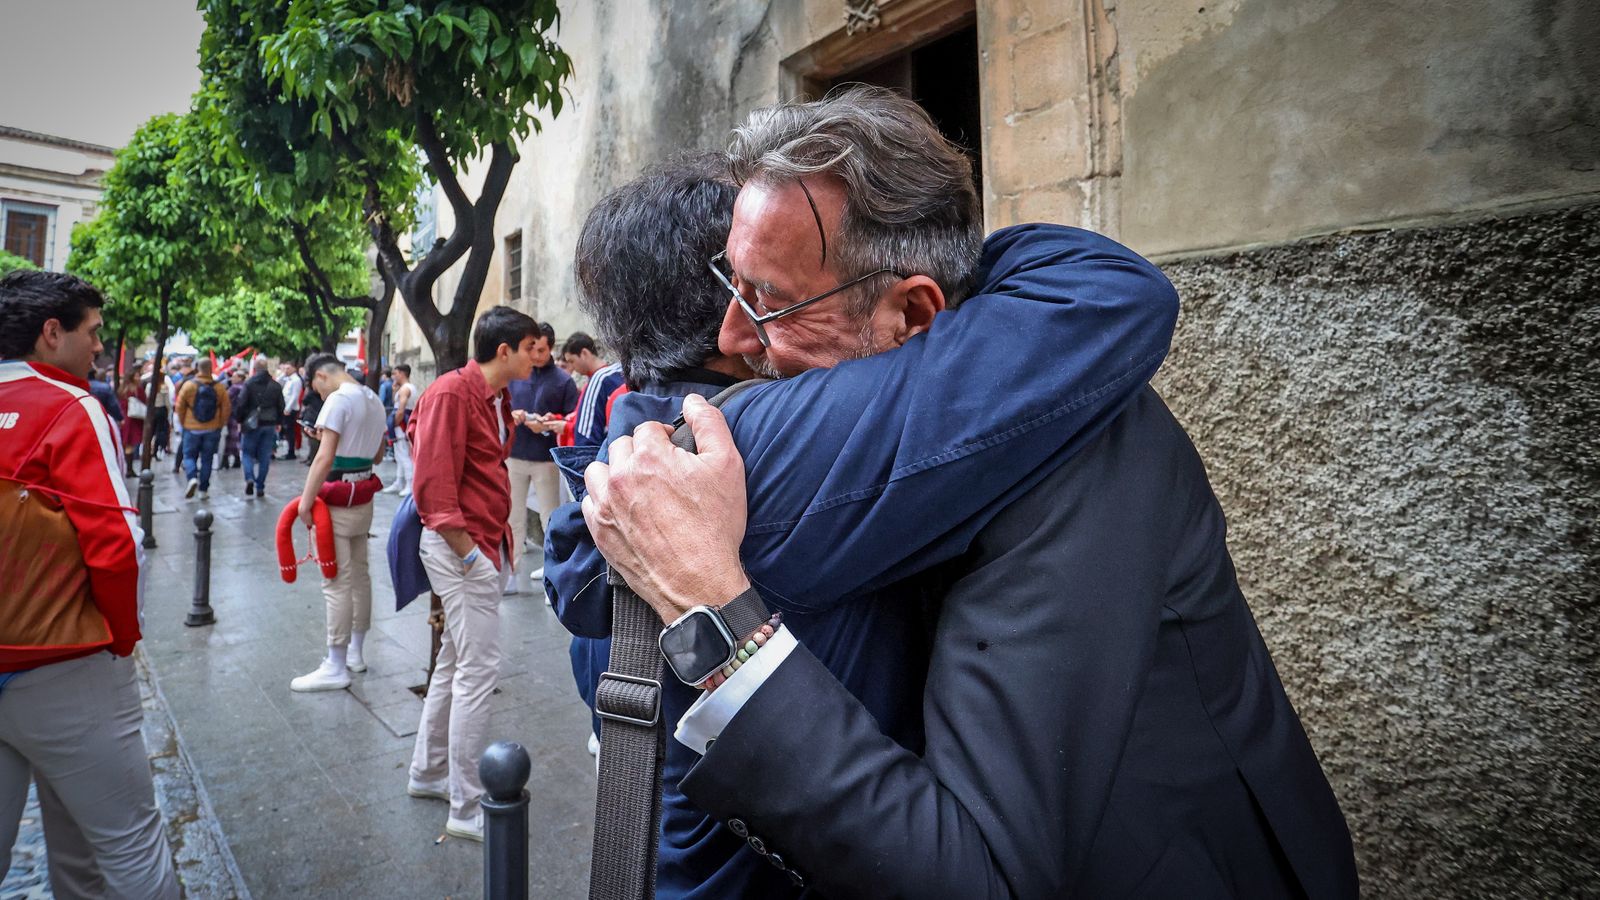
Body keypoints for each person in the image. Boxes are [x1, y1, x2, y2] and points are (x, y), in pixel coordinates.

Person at [568, 87, 1357, 898]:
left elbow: (983, 876)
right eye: (732, 287)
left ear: (915, 311)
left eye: (769, 302)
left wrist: (721, 617)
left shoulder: (1074, 451)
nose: (733, 340)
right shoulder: (899, 405)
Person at [0, 270, 180, 898]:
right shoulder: (72, 407)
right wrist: (120, 638)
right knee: (126, 848)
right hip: (62, 659)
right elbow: (115, 546)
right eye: (93, 331)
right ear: (52, 333)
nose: (101, 346)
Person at [408, 306, 541, 842]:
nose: (541, 355)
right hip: (461, 550)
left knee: (456, 665)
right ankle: (465, 805)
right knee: (476, 673)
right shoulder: (449, 394)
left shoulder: (494, 397)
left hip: (480, 546)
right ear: (504, 351)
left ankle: (427, 772)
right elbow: (434, 493)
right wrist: (472, 560)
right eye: (532, 346)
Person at [289, 353, 388, 692]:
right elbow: (377, 453)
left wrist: (305, 501)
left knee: (336, 581)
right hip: (364, 495)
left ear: (320, 376)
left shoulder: (337, 400)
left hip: (336, 500)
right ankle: (355, 653)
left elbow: (324, 458)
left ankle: (335, 662)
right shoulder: (372, 398)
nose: (314, 392)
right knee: (360, 576)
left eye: (312, 384)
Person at [504, 321, 577, 592]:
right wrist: (512, 417)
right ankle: (510, 572)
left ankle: (554, 578)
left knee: (550, 519)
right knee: (512, 517)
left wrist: (546, 427)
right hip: (515, 456)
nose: (535, 355)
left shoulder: (563, 381)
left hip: (546, 460)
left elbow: (572, 421)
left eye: (542, 350)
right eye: (532, 348)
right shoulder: (516, 376)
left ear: (551, 348)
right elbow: (502, 409)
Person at [174, 358, 230, 501]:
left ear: (198, 368)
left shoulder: (189, 386)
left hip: (191, 428)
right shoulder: (219, 387)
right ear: (211, 368)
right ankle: (203, 490)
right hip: (212, 429)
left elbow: (179, 406)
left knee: (189, 456)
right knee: (207, 459)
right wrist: (220, 423)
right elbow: (226, 408)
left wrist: (183, 422)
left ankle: (192, 477)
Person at [560, 332, 624, 447]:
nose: (572, 367)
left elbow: (586, 433)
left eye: (572, 361)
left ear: (584, 353)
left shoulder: (599, 379)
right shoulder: (615, 375)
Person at [234, 356, 285, 498]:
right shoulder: (275, 385)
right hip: (269, 424)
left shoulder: (249, 384)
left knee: (247, 453)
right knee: (265, 456)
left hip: (251, 424)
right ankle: (260, 486)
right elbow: (281, 405)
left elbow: (241, 403)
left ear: (255, 369)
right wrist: (279, 422)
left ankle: (249, 477)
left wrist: (239, 420)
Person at [381, 364, 416, 496]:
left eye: (395, 374)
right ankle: (400, 481)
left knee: (403, 455)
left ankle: (410, 484)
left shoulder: (406, 389)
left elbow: (400, 410)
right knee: (399, 455)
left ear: (402, 373)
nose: (394, 376)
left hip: (400, 424)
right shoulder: (404, 388)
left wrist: (394, 424)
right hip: (399, 422)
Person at [118, 369, 146, 476]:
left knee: (127, 443)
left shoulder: (122, 389)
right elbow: (144, 401)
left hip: (125, 418)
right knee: (130, 444)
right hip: (133, 420)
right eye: (137, 376)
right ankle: (129, 469)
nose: (138, 378)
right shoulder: (137, 389)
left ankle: (128, 468)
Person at [279, 361, 303, 459]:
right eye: (284, 368)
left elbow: (294, 395)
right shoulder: (288, 379)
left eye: (288, 368)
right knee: (287, 430)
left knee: (290, 431)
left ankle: (291, 451)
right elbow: (277, 380)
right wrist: (282, 374)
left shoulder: (296, 380)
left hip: (291, 408)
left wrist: (288, 408)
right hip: (286, 407)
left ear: (294, 368)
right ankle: (290, 450)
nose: (286, 370)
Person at [222, 369, 246, 469]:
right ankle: (236, 459)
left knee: (230, 438)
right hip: (240, 415)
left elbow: (225, 397)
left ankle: (226, 459)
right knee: (235, 438)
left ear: (240, 378)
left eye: (234, 377)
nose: (232, 379)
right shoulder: (245, 387)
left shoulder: (235, 388)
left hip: (232, 415)